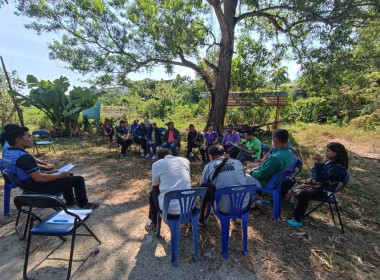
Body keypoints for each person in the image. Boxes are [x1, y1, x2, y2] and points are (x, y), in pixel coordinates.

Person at [2, 125, 98, 209]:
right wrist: (59, 176)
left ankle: (70, 201)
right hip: (38, 188)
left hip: (27, 186)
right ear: (18, 140)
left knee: (69, 175)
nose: (32, 139)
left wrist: (49, 173)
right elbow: (39, 178)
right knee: (78, 179)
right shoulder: (24, 157)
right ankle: (84, 205)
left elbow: (29, 174)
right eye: (29, 136)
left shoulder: (8, 154)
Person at [287, 142, 348, 228]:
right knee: (295, 184)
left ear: (336, 153)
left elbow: (321, 177)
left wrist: (320, 164)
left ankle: (297, 219)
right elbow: (315, 173)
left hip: (325, 191)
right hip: (320, 186)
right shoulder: (330, 162)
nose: (326, 153)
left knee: (304, 194)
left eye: (328, 151)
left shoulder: (339, 167)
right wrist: (313, 178)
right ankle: (290, 198)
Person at [198, 144, 257, 225]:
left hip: (223, 208)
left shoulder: (208, 166)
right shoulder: (238, 162)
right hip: (244, 205)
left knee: (205, 189)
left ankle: (201, 218)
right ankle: (237, 217)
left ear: (210, 156)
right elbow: (243, 178)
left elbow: (203, 186)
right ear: (224, 154)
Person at [146, 148, 191, 232]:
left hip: (169, 210)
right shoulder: (185, 160)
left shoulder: (157, 164)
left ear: (158, 158)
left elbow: (155, 187)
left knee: (152, 194)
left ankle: (154, 224)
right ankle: (185, 222)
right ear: (171, 154)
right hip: (188, 207)